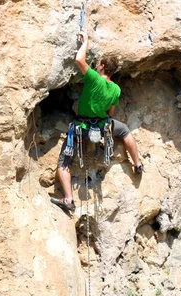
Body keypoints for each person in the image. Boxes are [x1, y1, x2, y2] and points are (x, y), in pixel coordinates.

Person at [51, 31, 144, 211]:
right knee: (124, 130)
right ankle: (138, 164)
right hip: (103, 127)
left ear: (101, 65)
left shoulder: (93, 78)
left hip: (82, 127)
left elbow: (79, 60)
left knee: (64, 162)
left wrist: (85, 41)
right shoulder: (116, 89)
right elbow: (110, 112)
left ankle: (69, 199)